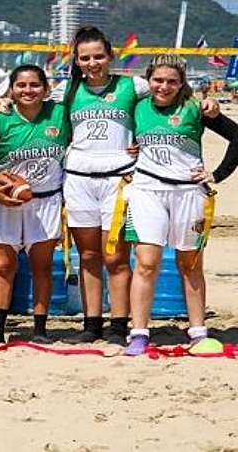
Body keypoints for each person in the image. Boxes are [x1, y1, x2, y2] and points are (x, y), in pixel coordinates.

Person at [53, 27, 218, 343]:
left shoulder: (133, 85)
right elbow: (27, 98)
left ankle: (118, 325)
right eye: (85, 57)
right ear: (76, 59)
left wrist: (208, 105)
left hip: (121, 179)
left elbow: (169, 95)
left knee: (115, 256)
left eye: (98, 56)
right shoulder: (68, 89)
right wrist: (4, 101)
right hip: (78, 178)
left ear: (110, 55)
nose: (92, 63)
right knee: (88, 256)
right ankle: (91, 324)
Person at [122, 55, 238, 355]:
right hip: (147, 190)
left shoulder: (195, 109)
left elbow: (237, 136)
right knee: (147, 263)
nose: (164, 86)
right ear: (149, 80)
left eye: (172, 81)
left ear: (182, 83)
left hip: (189, 193)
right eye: (158, 80)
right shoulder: (136, 106)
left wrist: (218, 173)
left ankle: (198, 332)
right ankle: (138, 333)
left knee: (190, 264)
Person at [0, 65, 70, 345]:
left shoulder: (60, 115)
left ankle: (39, 329)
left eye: (34, 85)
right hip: (6, 200)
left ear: (46, 88)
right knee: (3, 266)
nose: (28, 90)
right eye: (21, 86)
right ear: (11, 89)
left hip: (46, 200)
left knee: (42, 267)